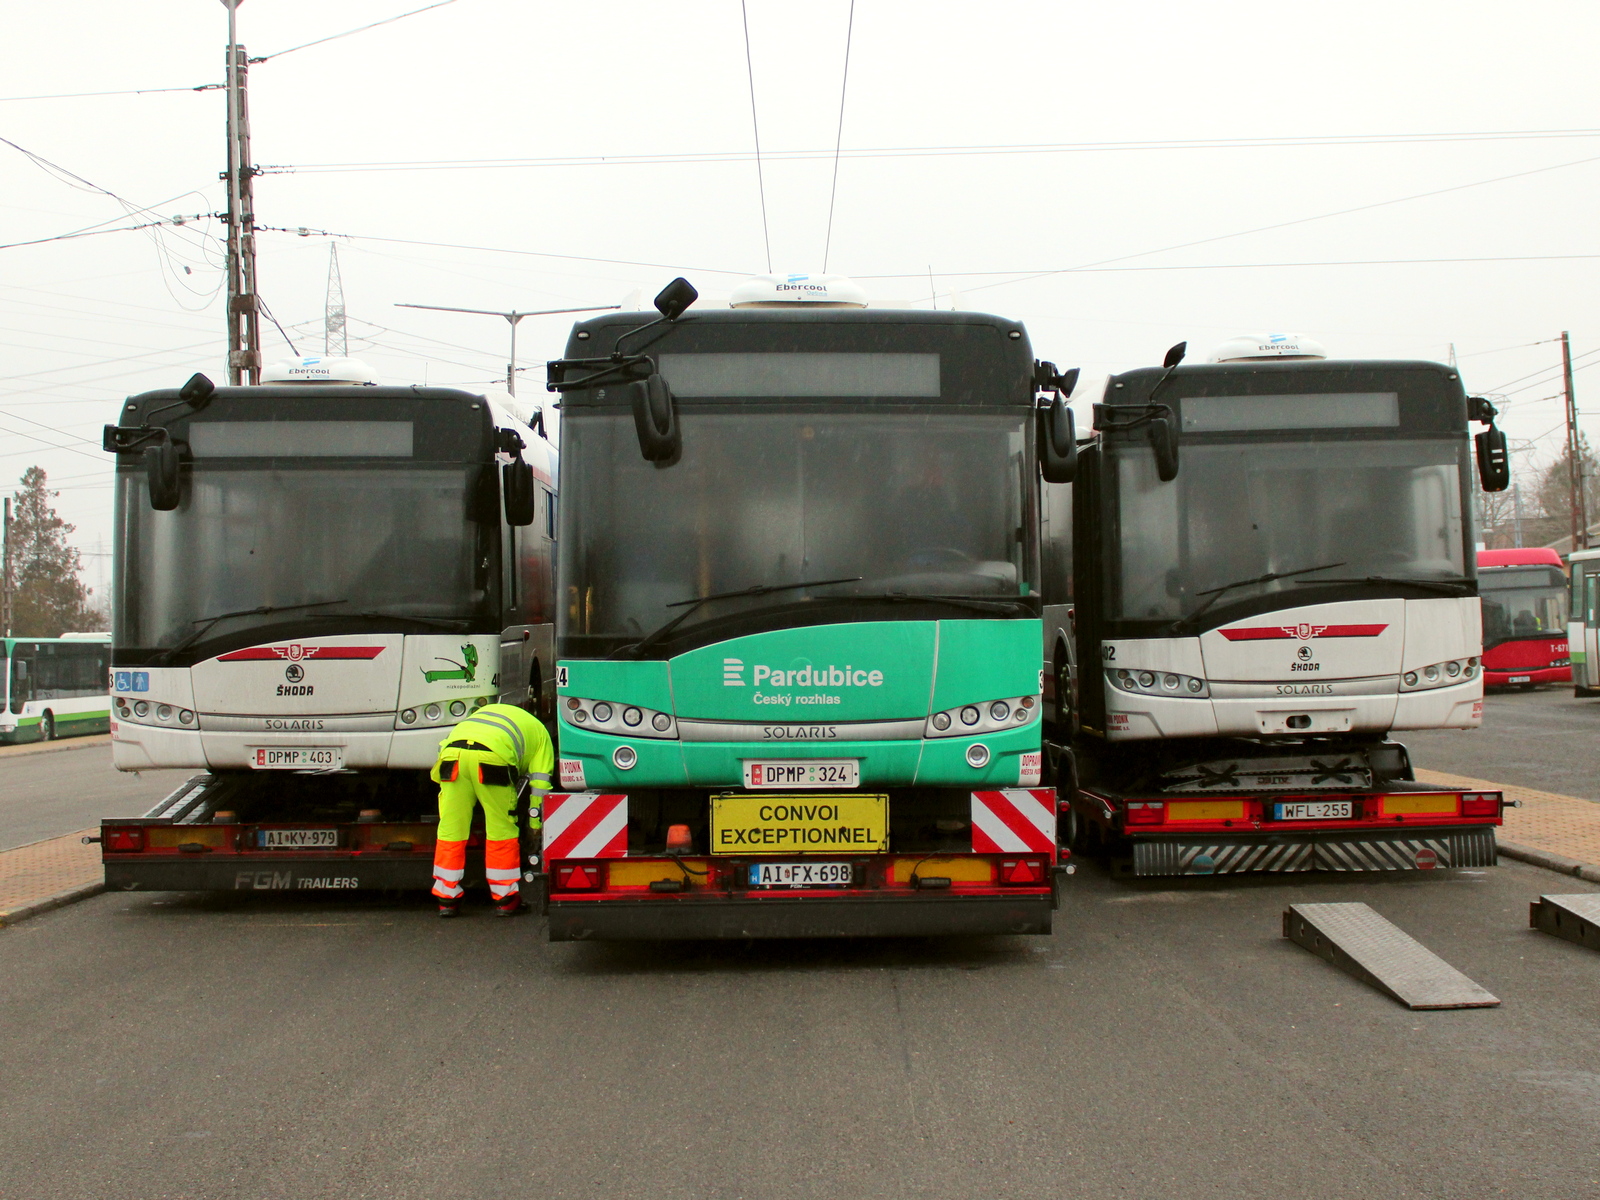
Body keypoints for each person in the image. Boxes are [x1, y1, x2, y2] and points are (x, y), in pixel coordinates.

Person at [429, 702, 554, 918]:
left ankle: (446, 898)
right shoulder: (541, 735)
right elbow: (540, 786)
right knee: (501, 830)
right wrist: (535, 825)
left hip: (452, 755)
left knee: (451, 829)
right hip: (492, 759)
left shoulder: (483, 714)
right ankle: (505, 899)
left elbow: (441, 758)